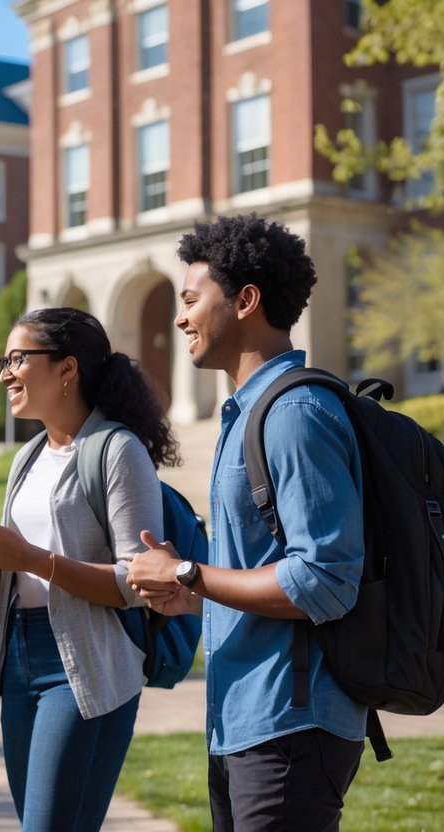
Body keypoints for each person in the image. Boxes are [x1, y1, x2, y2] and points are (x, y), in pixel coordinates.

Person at [128, 214, 367, 830]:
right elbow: (264, 576)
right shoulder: (247, 414)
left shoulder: (294, 414)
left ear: (246, 301)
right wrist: (190, 595)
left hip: (291, 724)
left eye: (190, 299)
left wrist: (190, 570)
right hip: (242, 718)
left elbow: (326, 579)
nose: (179, 318)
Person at [0, 307, 179, 832]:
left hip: (86, 661)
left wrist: (32, 559)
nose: (4, 373)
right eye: (4, 360)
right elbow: (21, 572)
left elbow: (137, 583)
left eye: (18, 359)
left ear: (67, 368)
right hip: (18, 657)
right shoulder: (28, 456)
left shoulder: (117, 450)